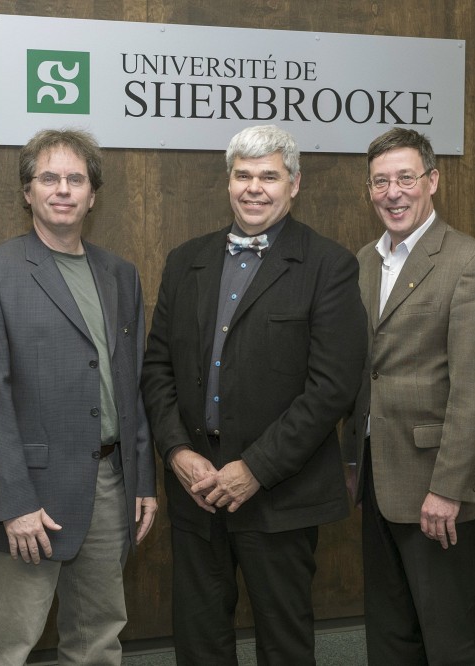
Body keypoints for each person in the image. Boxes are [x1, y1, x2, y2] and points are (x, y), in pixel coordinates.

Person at [141, 124, 367, 665]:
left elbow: (331, 388)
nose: (254, 188)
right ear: (228, 182)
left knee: (284, 643)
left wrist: (256, 468)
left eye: (269, 176)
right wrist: (177, 452)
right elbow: (157, 369)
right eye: (243, 175)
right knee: (199, 641)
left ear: (294, 185)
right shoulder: (185, 261)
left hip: (280, 492)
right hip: (196, 488)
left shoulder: (328, 266)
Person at [0, 128, 157, 666]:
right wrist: (14, 503)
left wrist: (141, 478)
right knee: (7, 646)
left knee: (98, 641)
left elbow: (132, 383)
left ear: (94, 194)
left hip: (110, 487)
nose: (63, 189)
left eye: (76, 179)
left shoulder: (121, 275)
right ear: (28, 192)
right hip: (31, 498)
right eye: (49, 178)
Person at [342, 128, 475, 665]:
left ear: (433, 181)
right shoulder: (364, 260)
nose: (393, 192)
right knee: (390, 633)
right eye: (380, 181)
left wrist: (449, 489)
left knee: (451, 637)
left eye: (405, 178)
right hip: (378, 478)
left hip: (438, 487)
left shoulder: (470, 263)